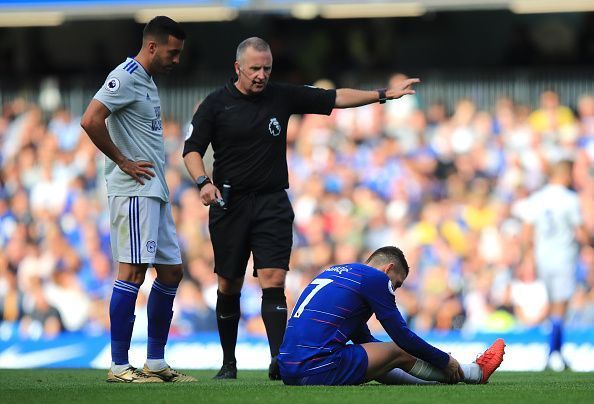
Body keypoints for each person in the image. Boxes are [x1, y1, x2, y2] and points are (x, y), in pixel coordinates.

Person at [182, 37, 420, 380]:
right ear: (238, 68)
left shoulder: (282, 94)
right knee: (228, 284)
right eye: (254, 69)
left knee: (274, 279)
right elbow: (192, 149)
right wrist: (203, 181)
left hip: (272, 201)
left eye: (266, 68)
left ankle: (280, 360)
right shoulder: (216, 104)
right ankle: (228, 363)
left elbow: (335, 98)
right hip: (229, 203)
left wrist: (384, 94)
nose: (261, 75)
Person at [80, 16, 196, 383]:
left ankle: (156, 362)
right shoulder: (126, 76)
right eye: (172, 53)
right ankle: (118, 366)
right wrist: (122, 161)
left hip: (155, 192)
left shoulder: (147, 81)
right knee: (131, 272)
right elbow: (90, 119)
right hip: (134, 191)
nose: (176, 60)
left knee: (173, 271)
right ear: (152, 46)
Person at [278, 246, 506, 386]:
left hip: (289, 367)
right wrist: (444, 360)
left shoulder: (337, 271)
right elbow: (401, 337)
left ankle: (460, 374)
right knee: (397, 351)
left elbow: (364, 340)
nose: (394, 290)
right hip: (314, 368)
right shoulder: (374, 279)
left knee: (387, 357)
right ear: (388, 268)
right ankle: (473, 372)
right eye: (396, 284)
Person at [521, 160, 590, 371]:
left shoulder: (537, 197)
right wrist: (589, 243)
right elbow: (580, 230)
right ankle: (553, 354)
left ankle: (556, 353)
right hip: (563, 257)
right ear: (566, 174)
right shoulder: (570, 199)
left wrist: (528, 258)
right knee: (560, 306)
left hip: (543, 257)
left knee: (553, 305)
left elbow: (527, 231)